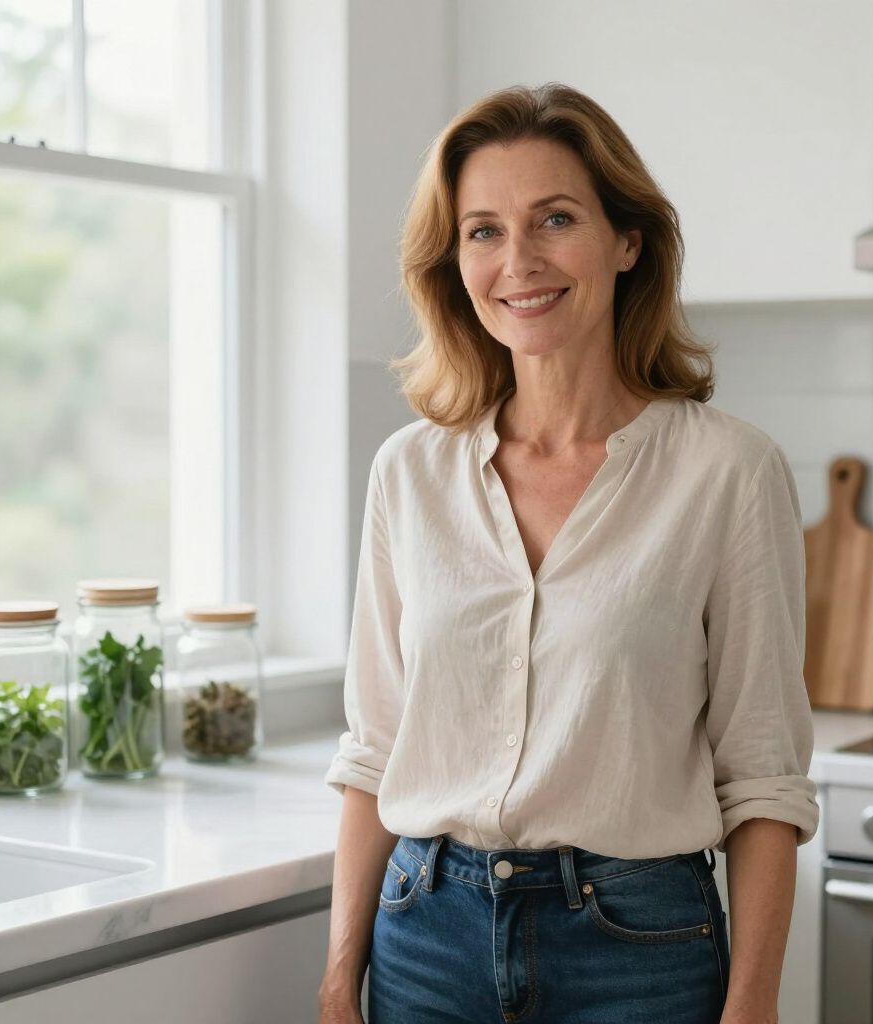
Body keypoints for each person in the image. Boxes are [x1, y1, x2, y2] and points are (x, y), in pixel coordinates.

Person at [318, 82, 819, 1024]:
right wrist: (339, 976)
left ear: (628, 241)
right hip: (424, 937)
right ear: (454, 260)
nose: (520, 261)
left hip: (639, 949)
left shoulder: (729, 472)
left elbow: (763, 776)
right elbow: (374, 750)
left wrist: (753, 1002)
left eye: (555, 218)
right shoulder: (409, 473)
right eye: (483, 230)